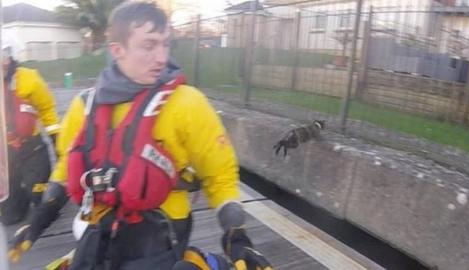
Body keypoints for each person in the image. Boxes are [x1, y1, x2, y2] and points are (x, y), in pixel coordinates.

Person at [8, 2, 273, 269]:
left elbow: (221, 177)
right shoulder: (84, 105)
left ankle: (207, 263)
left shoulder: (188, 103)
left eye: (165, 44)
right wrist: (39, 219)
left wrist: (237, 237)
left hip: (163, 227)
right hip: (101, 225)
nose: (161, 57)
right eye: (149, 46)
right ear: (117, 50)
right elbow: (68, 167)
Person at [0, 31, 60, 225]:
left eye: (5, 56)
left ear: (10, 57)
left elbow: (47, 109)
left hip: (32, 148)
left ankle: (37, 196)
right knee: (10, 215)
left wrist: (55, 138)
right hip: (5, 154)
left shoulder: (30, 79)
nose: (4, 62)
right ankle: (18, 200)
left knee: (40, 196)